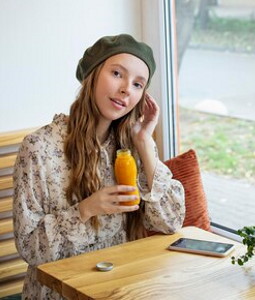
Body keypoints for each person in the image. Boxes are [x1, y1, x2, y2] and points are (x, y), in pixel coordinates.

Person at [13, 33, 185, 299]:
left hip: (121, 288)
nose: (127, 89)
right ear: (92, 75)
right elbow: (30, 248)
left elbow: (171, 222)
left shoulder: (131, 147)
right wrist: (86, 209)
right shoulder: (40, 148)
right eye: (117, 73)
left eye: (138, 84)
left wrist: (144, 141)